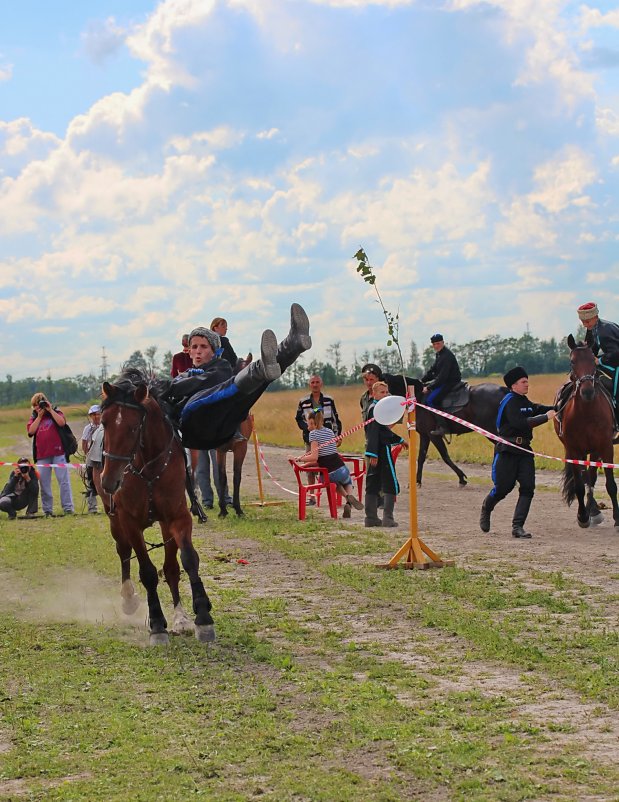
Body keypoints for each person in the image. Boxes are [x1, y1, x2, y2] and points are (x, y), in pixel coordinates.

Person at [167, 303, 311, 451]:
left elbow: (206, 380)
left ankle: (294, 344)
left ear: (215, 351)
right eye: (194, 347)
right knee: (209, 396)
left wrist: (167, 388)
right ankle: (262, 367)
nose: (198, 351)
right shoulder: (185, 376)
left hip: (221, 425)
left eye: (204, 347)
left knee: (256, 382)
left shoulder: (220, 367)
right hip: (196, 429)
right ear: (189, 352)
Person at [479, 367, 556, 539]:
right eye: (523, 382)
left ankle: (518, 526)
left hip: (524, 451)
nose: (527, 384)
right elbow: (521, 423)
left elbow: (536, 408)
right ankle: (486, 507)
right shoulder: (509, 402)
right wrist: (546, 417)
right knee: (503, 489)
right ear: (514, 385)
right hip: (507, 451)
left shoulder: (524, 401)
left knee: (528, 488)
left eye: (527, 381)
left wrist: (558, 407)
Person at [294, 409, 364, 518]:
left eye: (308, 423)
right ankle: (349, 500)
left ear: (312, 423)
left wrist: (299, 459)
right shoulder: (330, 431)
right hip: (341, 468)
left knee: (331, 483)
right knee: (347, 480)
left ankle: (346, 496)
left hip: (328, 472)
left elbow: (314, 457)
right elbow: (329, 452)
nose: (307, 426)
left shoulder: (313, 434)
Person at [364, 382, 407, 528]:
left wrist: (399, 440)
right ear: (374, 394)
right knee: (389, 483)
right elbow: (375, 432)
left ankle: (371, 518)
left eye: (387, 392)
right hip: (379, 451)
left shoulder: (377, 408)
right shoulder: (375, 409)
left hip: (377, 449)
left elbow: (382, 430)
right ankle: (387, 518)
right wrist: (373, 453)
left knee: (373, 482)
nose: (386, 395)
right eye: (382, 392)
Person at [26, 393, 74, 516]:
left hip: (58, 452)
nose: (38, 408)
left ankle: (68, 507)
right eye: (35, 406)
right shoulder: (34, 417)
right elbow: (31, 431)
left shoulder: (55, 412)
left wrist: (50, 410)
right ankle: (47, 510)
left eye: (40, 405)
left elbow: (62, 423)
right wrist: (39, 417)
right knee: (44, 483)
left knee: (63, 481)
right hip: (42, 456)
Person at [577, 302, 619, 429]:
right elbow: (592, 349)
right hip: (613, 360)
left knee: (618, 393)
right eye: (583, 322)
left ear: (595, 317)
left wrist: (599, 361)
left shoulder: (605, 330)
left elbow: (616, 353)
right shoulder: (592, 328)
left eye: (587, 321)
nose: (585, 325)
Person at [420, 334, 462, 436]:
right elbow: (432, 371)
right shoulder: (439, 355)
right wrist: (421, 381)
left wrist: (429, 387)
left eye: (438, 343)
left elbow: (442, 377)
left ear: (443, 343)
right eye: (434, 344)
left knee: (431, 400)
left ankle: (443, 427)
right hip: (444, 381)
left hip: (450, 382)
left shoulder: (446, 356)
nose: (436, 346)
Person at [296, 375, 342, 446]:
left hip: (328, 440)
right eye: (312, 382)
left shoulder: (329, 400)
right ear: (309, 385)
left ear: (321, 384)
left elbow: (335, 420)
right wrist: (308, 427)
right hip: (310, 440)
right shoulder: (303, 402)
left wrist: (337, 436)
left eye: (317, 382)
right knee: (311, 457)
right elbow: (299, 419)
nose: (315, 385)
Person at [81, 404, 101, 514]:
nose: (96, 417)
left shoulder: (105, 426)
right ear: (90, 416)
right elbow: (84, 442)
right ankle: (92, 507)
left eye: (98, 414)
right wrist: (87, 455)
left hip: (104, 457)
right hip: (92, 458)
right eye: (94, 415)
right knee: (90, 482)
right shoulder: (88, 428)